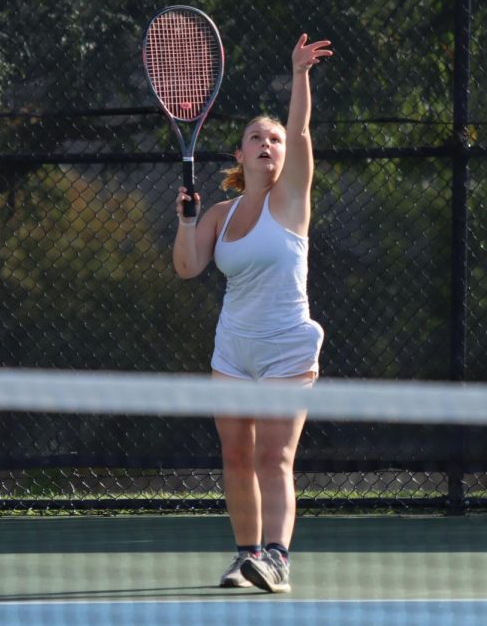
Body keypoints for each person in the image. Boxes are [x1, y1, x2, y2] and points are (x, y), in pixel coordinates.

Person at [172, 33, 333, 594]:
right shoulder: (221, 211)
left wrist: (299, 74)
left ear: (285, 155)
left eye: (275, 138)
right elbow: (188, 268)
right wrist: (188, 223)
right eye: (255, 138)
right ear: (239, 155)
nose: (267, 143)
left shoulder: (292, 198)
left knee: (274, 455)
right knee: (236, 455)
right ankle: (247, 559)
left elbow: (303, 128)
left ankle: (278, 561)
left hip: (287, 344)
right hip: (233, 349)